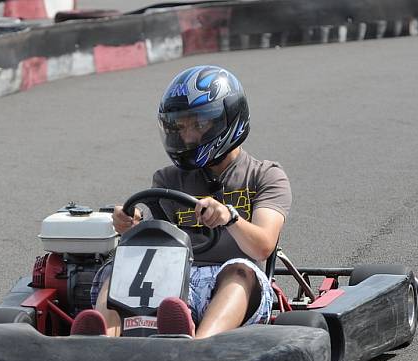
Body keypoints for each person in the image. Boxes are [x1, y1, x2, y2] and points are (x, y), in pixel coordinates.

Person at [72, 65, 292, 338]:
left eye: (198, 125)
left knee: (240, 270)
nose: (187, 137)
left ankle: (199, 345)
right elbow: (153, 246)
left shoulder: (265, 175)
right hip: (172, 287)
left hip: (235, 289)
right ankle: (104, 341)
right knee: (123, 262)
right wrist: (132, 224)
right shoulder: (167, 179)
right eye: (180, 126)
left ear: (228, 118)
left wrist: (230, 218)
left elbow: (262, 246)